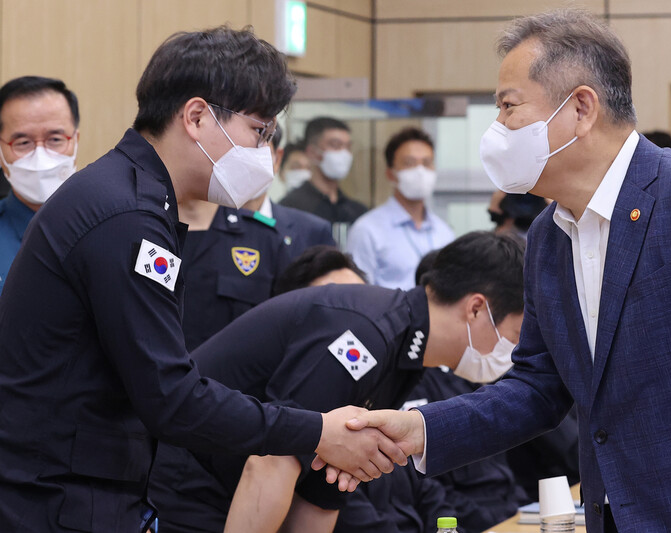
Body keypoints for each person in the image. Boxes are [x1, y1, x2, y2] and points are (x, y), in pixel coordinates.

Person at [334, 9, 671, 532]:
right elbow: (539, 387)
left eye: (509, 107)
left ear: (580, 107)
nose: (498, 129)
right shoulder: (548, 237)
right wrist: (419, 429)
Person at [0, 27, 405, 533]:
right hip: (56, 501)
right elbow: (171, 397)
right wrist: (316, 431)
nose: (264, 152)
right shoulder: (127, 215)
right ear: (195, 117)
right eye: (259, 132)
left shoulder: (133, 196)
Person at [148, 232, 524, 533]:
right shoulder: (365, 334)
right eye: (517, 333)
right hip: (185, 478)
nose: (515, 350)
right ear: (476, 308)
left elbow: (323, 493)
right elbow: (271, 462)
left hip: (232, 489)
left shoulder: (404, 353)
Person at [180, 124, 335, 351]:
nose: (249, 164)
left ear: (276, 158)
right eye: (241, 152)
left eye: (258, 152)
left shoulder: (309, 230)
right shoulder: (196, 227)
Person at [347, 127, 454, 289]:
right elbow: (357, 294)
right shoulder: (367, 230)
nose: (420, 171)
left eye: (426, 163)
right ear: (391, 174)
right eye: (410, 163)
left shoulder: (444, 231)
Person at [0, 76, 79, 292]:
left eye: (55, 139)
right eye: (23, 143)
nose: (40, 156)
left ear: (75, 141)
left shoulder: (112, 228)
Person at [280, 117, 367, 236]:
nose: (344, 154)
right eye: (336, 145)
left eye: (347, 147)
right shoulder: (290, 207)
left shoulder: (357, 211)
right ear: (312, 152)